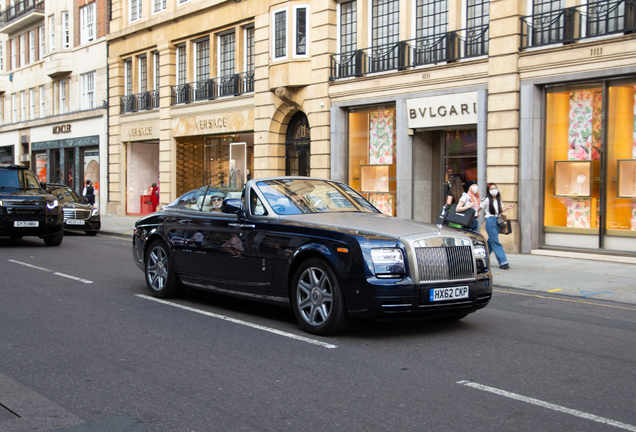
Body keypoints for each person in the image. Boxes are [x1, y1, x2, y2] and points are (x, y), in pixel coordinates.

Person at [480, 182, 514, 270]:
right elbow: (479, 207)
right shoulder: (487, 200)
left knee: (491, 242)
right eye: (491, 189)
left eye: (495, 188)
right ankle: (503, 262)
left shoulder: (498, 199)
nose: (494, 190)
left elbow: (500, 210)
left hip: (497, 221)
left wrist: (507, 207)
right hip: (490, 221)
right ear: (488, 190)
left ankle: (480, 259)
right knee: (495, 242)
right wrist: (476, 213)